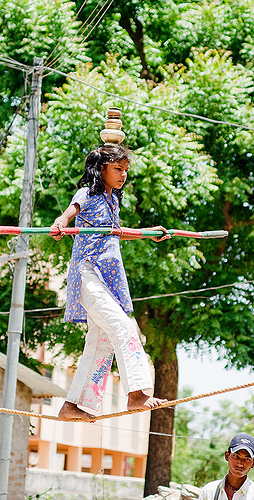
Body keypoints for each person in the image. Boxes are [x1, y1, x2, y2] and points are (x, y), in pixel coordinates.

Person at [51, 143, 170, 421]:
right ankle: (137, 394)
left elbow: (114, 233)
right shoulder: (88, 194)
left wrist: (146, 233)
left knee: (101, 341)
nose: (123, 174)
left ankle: (72, 405)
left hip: (106, 280)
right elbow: (69, 214)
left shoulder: (112, 200)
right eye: (118, 168)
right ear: (101, 168)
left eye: (125, 170)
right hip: (87, 274)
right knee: (124, 328)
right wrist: (60, 224)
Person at [198, 433, 254, 500]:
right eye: (236, 456)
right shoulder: (209, 491)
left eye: (247, 459)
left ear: (253, 463)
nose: (240, 464)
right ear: (227, 456)